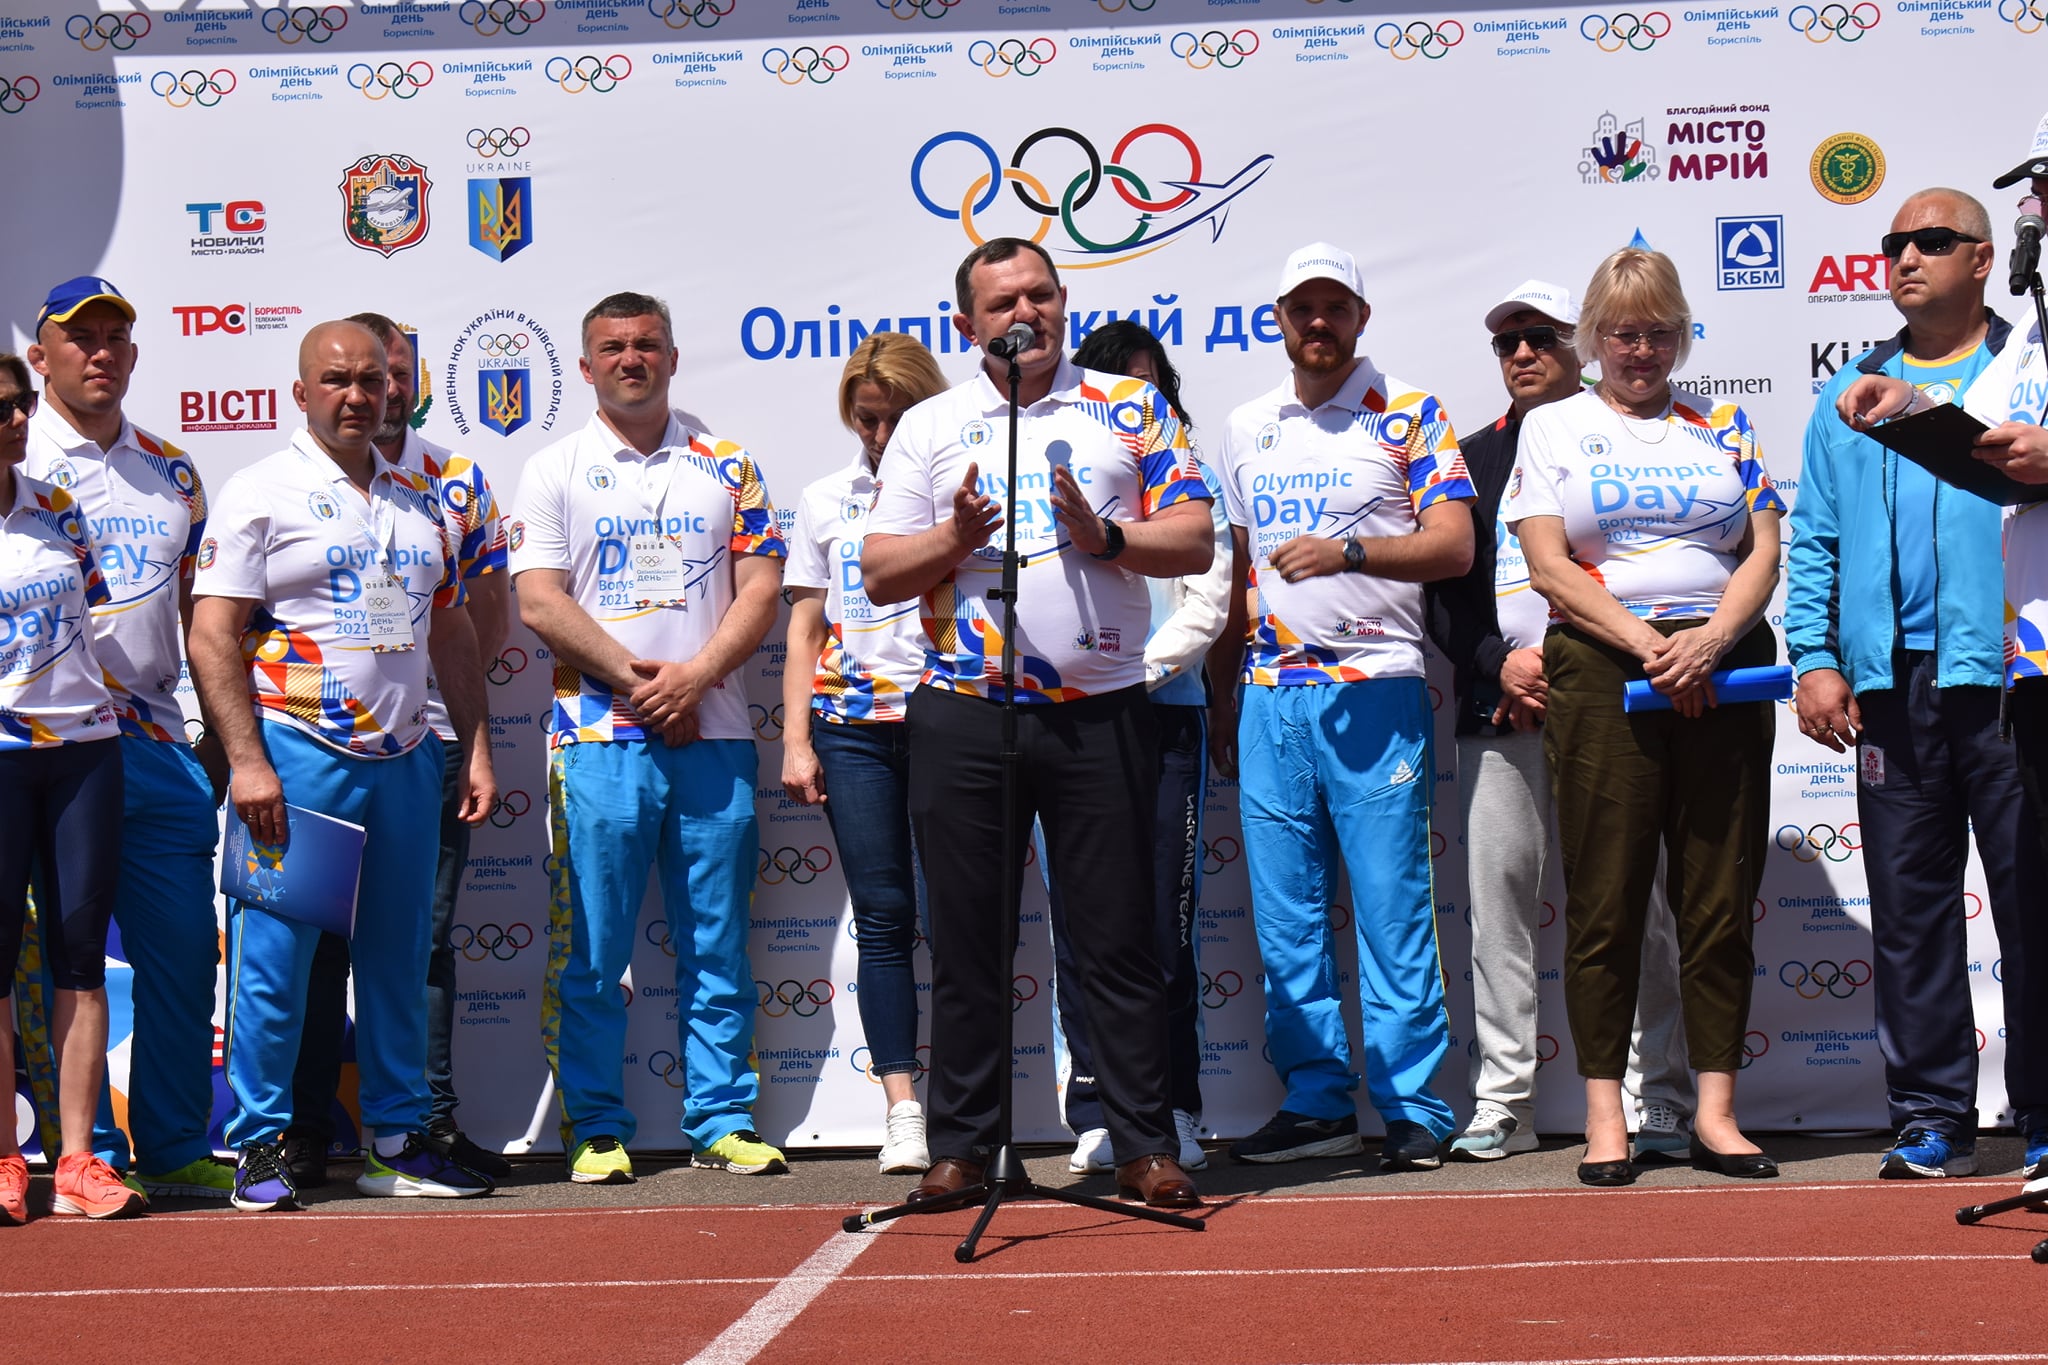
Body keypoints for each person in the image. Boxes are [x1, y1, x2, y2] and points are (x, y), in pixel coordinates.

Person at [862, 237, 1213, 1209]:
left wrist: (1106, 536)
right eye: (1002, 301)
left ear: (1062, 303)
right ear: (968, 324)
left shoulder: (1127, 406)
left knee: (1115, 939)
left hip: (1098, 710)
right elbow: (880, 571)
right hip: (964, 712)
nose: (1025, 312)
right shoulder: (933, 423)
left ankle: (1143, 1144)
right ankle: (963, 1149)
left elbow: (1192, 533)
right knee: (968, 940)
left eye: (1040, 295)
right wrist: (953, 540)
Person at [189, 320, 497, 1211]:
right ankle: (257, 1142)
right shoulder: (261, 490)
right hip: (297, 753)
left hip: (404, 755)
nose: (358, 394)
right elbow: (212, 633)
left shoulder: (417, 495)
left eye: (371, 379)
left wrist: (471, 741)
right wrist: (247, 761)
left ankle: (398, 1140)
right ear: (301, 393)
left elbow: (450, 627)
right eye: (336, 380)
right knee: (276, 963)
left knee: (398, 959)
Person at [1505, 246, 1783, 1187]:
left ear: (1682, 336)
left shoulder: (1724, 420)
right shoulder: (1553, 426)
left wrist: (1709, 642)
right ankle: (1605, 1117)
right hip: (1604, 668)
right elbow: (1548, 566)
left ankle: (1714, 1111)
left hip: (1726, 665)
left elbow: (1762, 550)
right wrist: (1652, 647)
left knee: (1717, 895)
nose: (1641, 350)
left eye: (1660, 332)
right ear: (1593, 338)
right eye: (1623, 332)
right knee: (1607, 897)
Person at [1787, 188, 2048, 1180]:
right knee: (1906, 910)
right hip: (1891, 686)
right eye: (1892, 242)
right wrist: (1812, 659)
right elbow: (1810, 537)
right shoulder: (1847, 387)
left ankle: (2038, 1117)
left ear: (1982, 258)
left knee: (2030, 905)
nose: (1903, 256)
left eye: (1929, 241)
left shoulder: (2022, 368)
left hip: (2008, 680)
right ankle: (1931, 1115)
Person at [1208, 242, 1475, 1172]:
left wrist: (1350, 554)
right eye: (1301, 309)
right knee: (1284, 918)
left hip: (1377, 687)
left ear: (1361, 317)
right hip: (1270, 693)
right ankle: (1317, 1099)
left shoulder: (1408, 410)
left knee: (1394, 909)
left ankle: (1414, 1107)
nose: (1317, 324)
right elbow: (1238, 569)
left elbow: (1453, 546)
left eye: (1335, 308)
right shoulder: (1247, 424)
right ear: (1277, 319)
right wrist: (1220, 695)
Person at [511, 291, 788, 1183]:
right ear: (586, 367)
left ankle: (720, 1117)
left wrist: (697, 679)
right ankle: (595, 1126)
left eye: (647, 345)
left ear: (672, 357)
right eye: (612, 348)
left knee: (717, 940)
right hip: (597, 737)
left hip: (713, 734)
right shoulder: (554, 466)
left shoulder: (726, 460)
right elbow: (539, 600)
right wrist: (642, 683)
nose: (631, 359)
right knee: (593, 949)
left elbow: (761, 586)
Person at [1425, 281, 1695, 1163]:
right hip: (1503, 713)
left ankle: (1658, 1094)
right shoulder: (1465, 458)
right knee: (1499, 908)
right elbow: (1445, 600)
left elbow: (1654, 563)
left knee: (1636, 902)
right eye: (1507, 343)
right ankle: (1503, 1098)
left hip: (1616, 703)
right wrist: (1496, 662)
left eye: (1542, 337)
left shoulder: (1630, 439)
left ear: (1579, 345)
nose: (1524, 354)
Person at [285, 311, 512, 1189]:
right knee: (314, 945)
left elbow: (480, 606)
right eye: (365, 372)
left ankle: (426, 1121)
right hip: (323, 744)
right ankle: (304, 1129)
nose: (382, 387)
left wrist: (455, 709)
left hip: (433, 745)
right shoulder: (297, 482)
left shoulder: (452, 479)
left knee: (420, 945)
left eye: (396, 372)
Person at [20, 279, 227, 1200]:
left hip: (149, 742)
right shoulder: (14, 459)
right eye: (78, 339)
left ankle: (177, 1142)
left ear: (136, 356)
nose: (99, 352)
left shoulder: (173, 470)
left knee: (181, 951)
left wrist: (216, 731)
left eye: (114, 338)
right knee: (63, 961)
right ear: (41, 357)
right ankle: (85, 1146)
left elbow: (200, 619)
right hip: (41, 747)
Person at [1052, 320, 1230, 1176]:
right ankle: (1094, 1107)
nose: (1133, 400)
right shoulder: (1056, 472)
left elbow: (1208, 597)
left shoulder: (1189, 469)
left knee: (1164, 922)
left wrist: (1137, 668)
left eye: (1146, 382)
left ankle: (1174, 1107)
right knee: (1082, 926)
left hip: (1161, 711)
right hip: (1072, 716)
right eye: (1114, 383)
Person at [780, 332, 947, 1175]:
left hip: (952, 719)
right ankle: (904, 1108)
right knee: (884, 918)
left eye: (894, 418)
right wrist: (798, 738)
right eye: (866, 420)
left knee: (961, 916)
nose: (879, 437)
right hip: (852, 731)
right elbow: (804, 626)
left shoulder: (965, 486)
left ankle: (968, 1103)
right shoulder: (823, 499)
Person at [0, 351, 144, 1221]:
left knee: (80, 957)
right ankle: (5, 1158)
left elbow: (91, 613)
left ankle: (79, 1159)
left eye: (20, 404)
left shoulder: (55, 506)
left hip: (85, 748)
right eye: (0, 408)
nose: (16, 420)